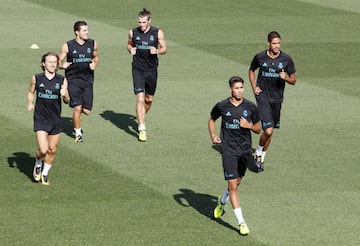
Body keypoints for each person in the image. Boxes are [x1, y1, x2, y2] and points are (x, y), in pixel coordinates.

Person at [208, 76, 261, 236]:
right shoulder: (222, 105)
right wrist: (213, 135)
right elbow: (212, 119)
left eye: (242, 88)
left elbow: (259, 129)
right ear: (230, 89)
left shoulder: (251, 107)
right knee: (233, 186)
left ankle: (222, 201)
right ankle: (242, 223)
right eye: (237, 88)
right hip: (228, 151)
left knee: (236, 183)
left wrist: (249, 126)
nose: (240, 90)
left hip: (244, 151)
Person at [249, 31, 296, 166]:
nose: (276, 46)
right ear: (268, 43)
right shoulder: (260, 57)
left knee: (270, 132)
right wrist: (254, 87)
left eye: (278, 43)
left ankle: (261, 157)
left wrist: (285, 78)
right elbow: (251, 70)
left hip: (277, 99)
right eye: (274, 43)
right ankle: (258, 151)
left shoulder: (286, 59)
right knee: (268, 130)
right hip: (263, 97)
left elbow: (294, 80)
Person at [27, 52, 70, 185]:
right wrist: (30, 103)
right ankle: (38, 161)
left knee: (52, 150)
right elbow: (30, 92)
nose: (52, 64)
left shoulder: (62, 80)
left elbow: (67, 101)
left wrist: (65, 95)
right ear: (43, 64)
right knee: (44, 149)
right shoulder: (37, 78)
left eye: (54, 62)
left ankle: (45, 173)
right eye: (49, 61)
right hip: (40, 118)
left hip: (55, 119)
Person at [127, 8, 167, 142]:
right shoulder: (133, 32)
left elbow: (164, 49)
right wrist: (130, 49)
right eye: (139, 22)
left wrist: (157, 51)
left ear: (149, 21)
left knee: (148, 99)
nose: (141, 25)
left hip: (151, 70)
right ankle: (142, 128)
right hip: (137, 69)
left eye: (144, 22)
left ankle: (141, 116)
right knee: (139, 99)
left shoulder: (157, 33)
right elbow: (129, 44)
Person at [59, 20, 99, 142]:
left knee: (86, 111)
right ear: (77, 32)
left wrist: (94, 64)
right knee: (77, 107)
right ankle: (78, 133)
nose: (87, 32)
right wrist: (62, 65)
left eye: (87, 30)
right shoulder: (68, 45)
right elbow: (57, 62)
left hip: (88, 80)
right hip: (73, 80)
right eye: (84, 30)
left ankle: (67, 97)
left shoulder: (93, 43)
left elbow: (96, 57)